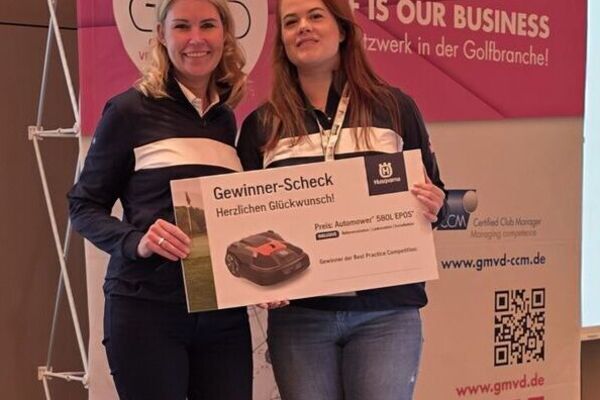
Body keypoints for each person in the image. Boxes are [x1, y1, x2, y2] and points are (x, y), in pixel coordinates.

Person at [236, 0, 447, 399]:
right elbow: (243, 221)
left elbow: (436, 197)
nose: (303, 27)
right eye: (291, 22)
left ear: (344, 30)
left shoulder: (395, 108)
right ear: (282, 41)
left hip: (385, 313)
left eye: (316, 16)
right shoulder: (262, 125)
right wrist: (259, 287)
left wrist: (434, 205)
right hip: (301, 317)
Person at [68, 1, 252, 398]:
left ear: (225, 35)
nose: (196, 39)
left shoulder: (225, 119)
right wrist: (137, 241)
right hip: (147, 309)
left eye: (208, 25)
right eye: (182, 26)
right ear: (161, 37)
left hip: (221, 313)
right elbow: (83, 206)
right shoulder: (129, 110)